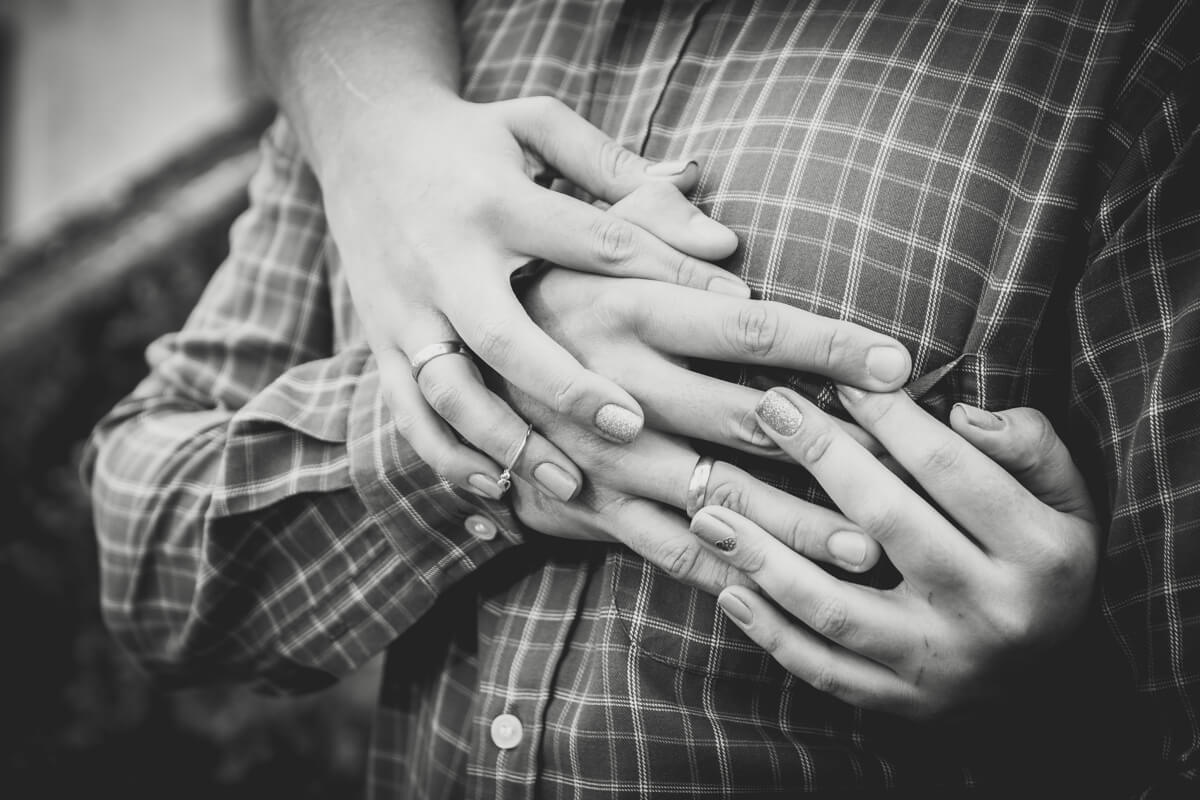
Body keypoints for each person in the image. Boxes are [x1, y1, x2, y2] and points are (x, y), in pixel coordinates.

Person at [85, 0, 1199, 796]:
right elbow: (146, 555)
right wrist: (484, 423)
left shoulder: (1130, 54)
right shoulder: (383, 77)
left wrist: (1058, 707)